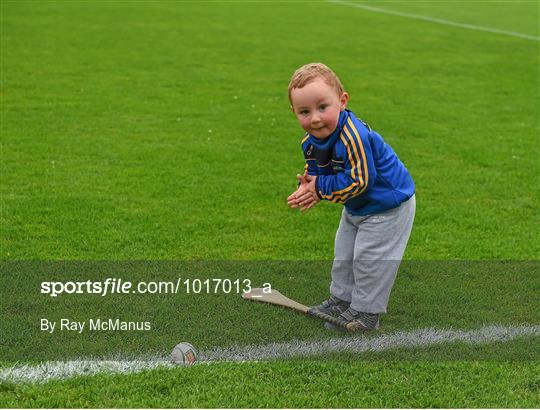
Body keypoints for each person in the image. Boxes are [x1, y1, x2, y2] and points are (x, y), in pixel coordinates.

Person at [287, 63, 416, 332]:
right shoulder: (309, 142)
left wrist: (320, 188)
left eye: (323, 107)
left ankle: (366, 314)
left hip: (387, 205)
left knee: (369, 260)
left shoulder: (353, 136)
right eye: (305, 112)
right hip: (357, 206)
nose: (315, 118)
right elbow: (317, 175)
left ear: (342, 101)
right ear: (294, 113)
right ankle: (341, 301)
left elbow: (360, 181)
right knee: (344, 254)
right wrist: (308, 189)